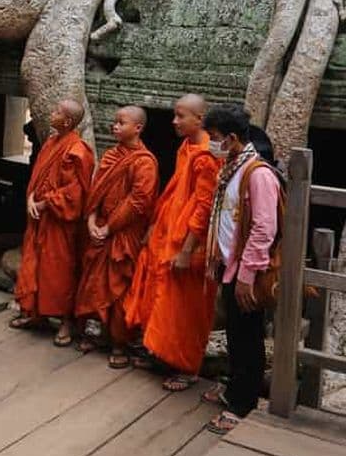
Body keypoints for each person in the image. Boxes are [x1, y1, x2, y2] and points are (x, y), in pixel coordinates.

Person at [124, 94, 221, 390]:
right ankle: (161, 355)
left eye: (181, 116)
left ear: (200, 119)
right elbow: (175, 193)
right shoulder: (187, 147)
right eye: (175, 115)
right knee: (163, 302)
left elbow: (204, 208)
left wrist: (188, 249)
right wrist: (156, 225)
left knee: (185, 311)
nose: (174, 121)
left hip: (189, 245)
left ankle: (187, 367)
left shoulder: (206, 156)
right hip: (170, 236)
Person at [201, 104, 280, 434]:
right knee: (235, 330)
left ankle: (243, 402)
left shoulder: (258, 174)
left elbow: (264, 227)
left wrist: (248, 274)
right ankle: (235, 386)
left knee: (248, 335)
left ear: (232, 139)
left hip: (247, 271)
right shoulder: (233, 167)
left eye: (215, 138)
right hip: (230, 265)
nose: (211, 144)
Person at [74, 106, 159, 369]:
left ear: (138, 128)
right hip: (100, 228)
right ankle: (99, 332)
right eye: (114, 122)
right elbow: (96, 190)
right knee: (94, 282)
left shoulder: (145, 162)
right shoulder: (111, 155)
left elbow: (139, 201)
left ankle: (120, 342)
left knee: (120, 287)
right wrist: (90, 220)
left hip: (124, 233)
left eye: (121, 123)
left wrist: (110, 227)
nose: (115, 127)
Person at [10, 100, 95, 346]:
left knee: (60, 272)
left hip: (60, 222)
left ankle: (66, 322)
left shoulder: (78, 151)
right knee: (36, 266)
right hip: (39, 218)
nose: (52, 113)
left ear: (67, 121)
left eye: (57, 111)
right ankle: (37, 315)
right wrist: (30, 199)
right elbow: (37, 177)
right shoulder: (50, 142)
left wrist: (45, 203)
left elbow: (76, 191)